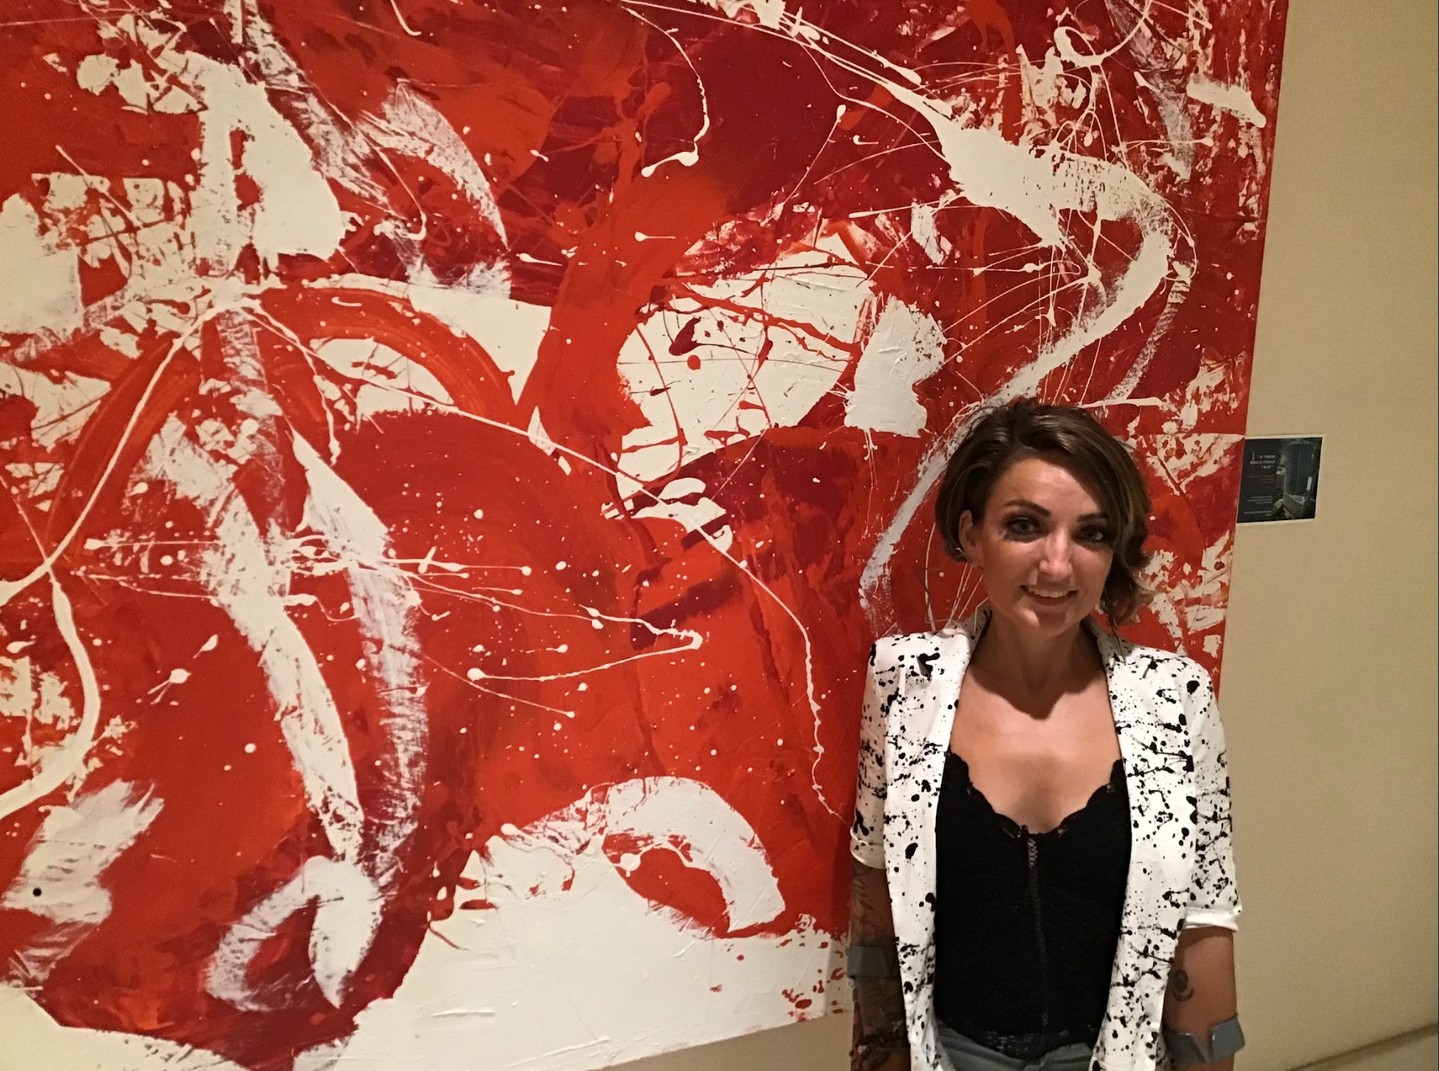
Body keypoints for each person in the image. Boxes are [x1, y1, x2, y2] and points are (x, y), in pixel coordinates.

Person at [848, 399, 1243, 1071]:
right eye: (1024, 525)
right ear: (972, 534)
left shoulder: (1175, 696)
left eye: (1091, 534)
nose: (1058, 565)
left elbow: (1204, 917)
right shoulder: (904, 681)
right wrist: (879, 1052)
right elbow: (874, 882)